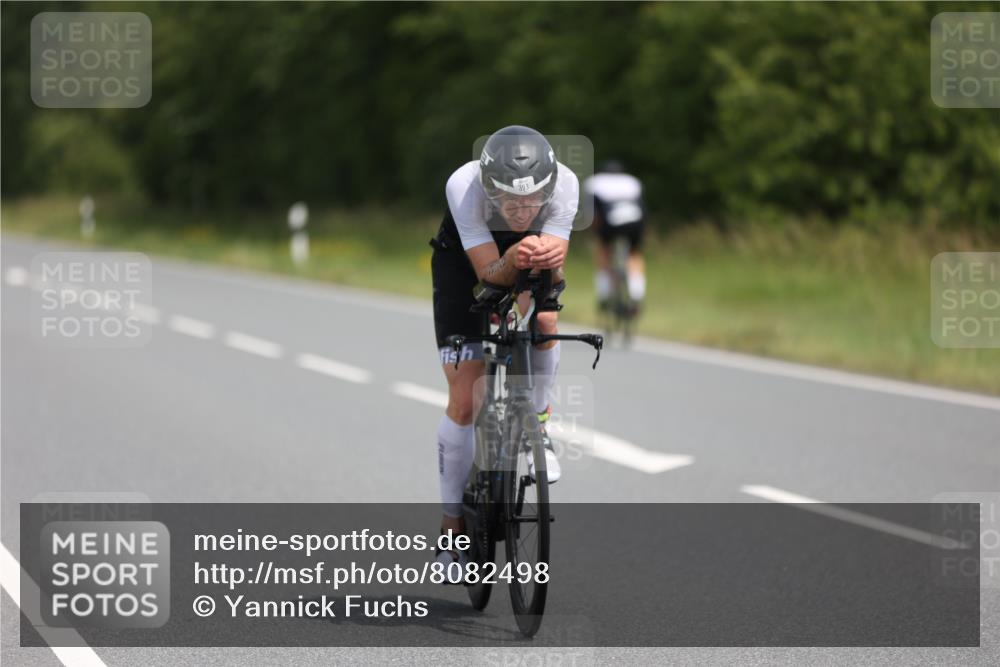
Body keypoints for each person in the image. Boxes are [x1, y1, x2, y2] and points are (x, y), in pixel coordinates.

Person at [428, 126, 579, 578]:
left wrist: (546, 265)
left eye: (533, 201)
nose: (522, 210)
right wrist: (513, 259)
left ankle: (539, 426)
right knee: (465, 398)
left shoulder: (566, 184)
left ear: (549, 189)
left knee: (545, 321)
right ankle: (451, 530)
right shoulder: (464, 186)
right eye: (510, 201)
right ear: (489, 189)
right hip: (465, 264)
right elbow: (489, 275)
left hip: (527, 257)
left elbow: (551, 282)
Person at [584, 160, 645, 315]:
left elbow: (593, 214)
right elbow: (642, 208)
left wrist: (594, 232)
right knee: (634, 254)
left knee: (604, 251)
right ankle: (636, 294)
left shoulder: (594, 182)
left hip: (610, 221)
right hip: (635, 221)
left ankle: (604, 294)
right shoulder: (632, 182)